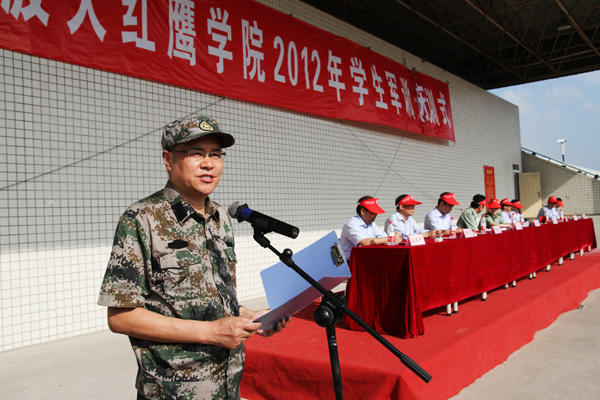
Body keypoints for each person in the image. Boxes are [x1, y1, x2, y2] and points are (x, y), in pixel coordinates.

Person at [97, 116, 289, 400]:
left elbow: (209, 296)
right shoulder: (142, 218)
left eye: (215, 154)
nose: (208, 164)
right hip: (174, 389)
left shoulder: (220, 217)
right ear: (168, 159)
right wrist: (211, 332)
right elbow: (121, 317)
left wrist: (249, 316)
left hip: (228, 381)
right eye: (196, 153)